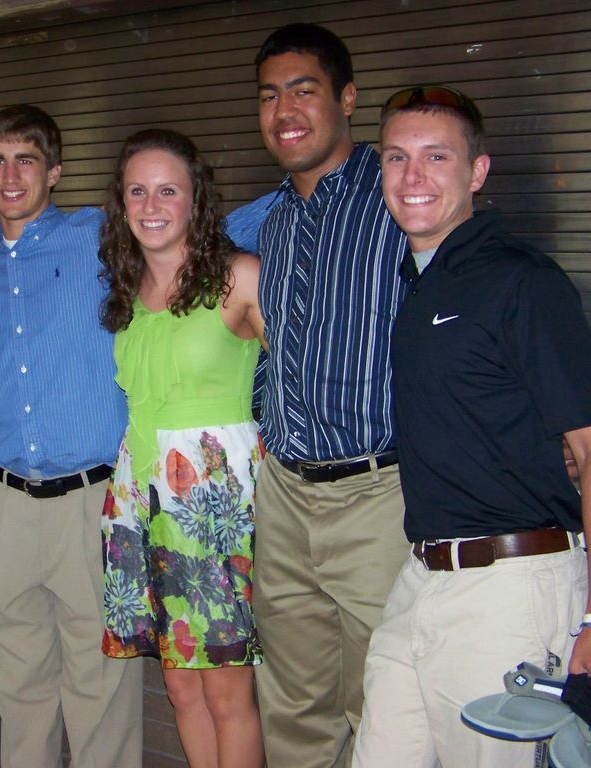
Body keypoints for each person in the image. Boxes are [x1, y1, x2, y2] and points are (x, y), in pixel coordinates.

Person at [353, 85, 591, 768]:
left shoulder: (521, 279)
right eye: (396, 158)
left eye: (437, 157)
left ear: (477, 172)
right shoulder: (421, 281)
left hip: (511, 587)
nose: (413, 177)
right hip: (422, 576)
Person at [235, 23, 412, 767]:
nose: (284, 111)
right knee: (293, 709)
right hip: (284, 495)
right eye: (269, 95)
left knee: (386, 706)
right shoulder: (270, 222)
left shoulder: (399, 196)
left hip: (378, 495)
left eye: (303, 90)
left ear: (347, 98)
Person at [0, 104, 143, 768]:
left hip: (89, 501)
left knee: (102, 685)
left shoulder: (98, 235)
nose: (11, 176)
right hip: (4, 504)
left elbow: (197, 224)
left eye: (27, 160)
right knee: (19, 690)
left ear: (55, 171)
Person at [99, 128, 267, 768]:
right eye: (137, 191)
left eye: (167, 190)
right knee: (179, 684)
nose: (151, 205)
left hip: (210, 503)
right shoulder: (127, 289)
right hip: (139, 495)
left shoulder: (239, 277)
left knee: (226, 690)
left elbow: (301, 385)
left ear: (196, 198)